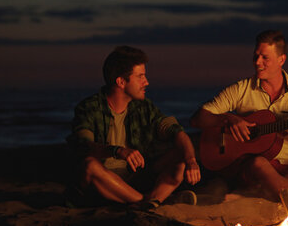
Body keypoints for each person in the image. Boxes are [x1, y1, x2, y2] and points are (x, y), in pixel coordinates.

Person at [190, 30, 288, 200]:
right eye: (256, 56)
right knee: (260, 163)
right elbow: (198, 118)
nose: (257, 62)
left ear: (281, 60)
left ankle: (260, 195)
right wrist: (228, 118)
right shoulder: (241, 89)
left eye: (265, 57)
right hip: (254, 169)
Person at [67, 46, 201, 209]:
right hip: (101, 184)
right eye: (140, 77)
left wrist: (191, 161)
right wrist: (117, 151)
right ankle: (151, 202)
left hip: (135, 179)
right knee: (89, 165)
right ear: (121, 82)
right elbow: (83, 146)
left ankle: (150, 202)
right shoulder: (89, 108)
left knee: (181, 157)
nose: (146, 82)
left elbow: (177, 132)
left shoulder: (143, 107)